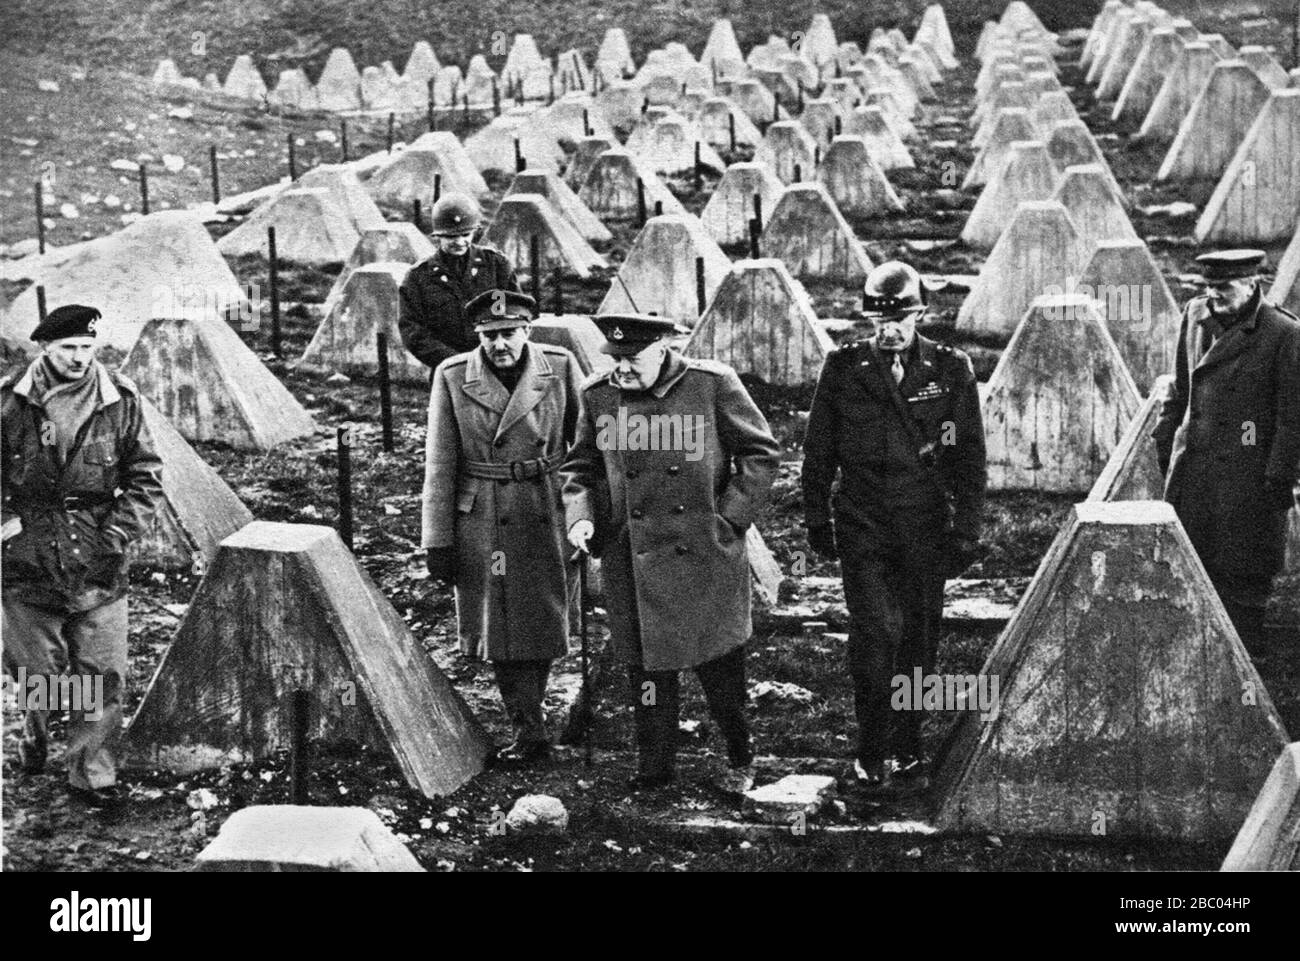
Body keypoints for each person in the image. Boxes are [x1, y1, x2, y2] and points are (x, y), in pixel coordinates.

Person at [560, 314, 780, 792]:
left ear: (662, 348)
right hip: (632, 554)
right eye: (614, 360)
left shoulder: (710, 385)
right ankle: (654, 766)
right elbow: (581, 466)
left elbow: (760, 453)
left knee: (720, 664)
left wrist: (730, 519)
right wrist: (581, 515)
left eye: (632, 360)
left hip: (704, 552)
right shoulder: (598, 395)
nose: (622, 370)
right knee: (647, 667)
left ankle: (741, 751)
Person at [801, 261, 986, 788]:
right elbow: (819, 449)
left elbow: (967, 456)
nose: (888, 331)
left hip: (924, 524)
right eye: (879, 321)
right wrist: (818, 519)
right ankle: (872, 745)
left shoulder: (950, 369)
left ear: (920, 314)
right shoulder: (844, 367)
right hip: (863, 522)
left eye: (900, 320)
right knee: (875, 634)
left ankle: (908, 744)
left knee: (919, 641)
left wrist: (966, 530)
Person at [1, 304, 163, 810]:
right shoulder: (10, 402)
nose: (79, 358)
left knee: (98, 672)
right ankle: (37, 731)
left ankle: (91, 774)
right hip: (27, 556)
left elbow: (146, 477)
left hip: (96, 551)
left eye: (87, 347)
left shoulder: (120, 399)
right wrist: (8, 532)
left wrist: (114, 537)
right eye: (68, 347)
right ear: (44, 347)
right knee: (40, 676)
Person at [422, 290, 584, 764]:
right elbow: (440, 463)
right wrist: (438, 539)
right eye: (489, 336)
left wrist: (589, 510)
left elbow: (586, 444)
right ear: (478, 336)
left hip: (547, 504)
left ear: (526, 330)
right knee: (501, 629)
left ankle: (536, 717)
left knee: (544, 615)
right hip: (486, 516)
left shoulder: (561, 366)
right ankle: (528, 729)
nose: (499, 344)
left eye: (509, 333)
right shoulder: (453, 376)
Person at [1153, 249, 1300, 648]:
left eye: (1225, 287)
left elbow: (1291, 417)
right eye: (1209, 287)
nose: (1214, 295)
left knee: (1242, 570)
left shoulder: (1282, 333)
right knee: (1190, 561)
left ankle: (1244, 662)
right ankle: (1195, 650)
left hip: (1247, 470)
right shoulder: (1194, 315)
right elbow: (1181, 387)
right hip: (1194, 466)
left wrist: (1278, 476)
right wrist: (1166, 436)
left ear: (1253, 284)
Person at [399, 192, 521, 374]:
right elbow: (413, 332)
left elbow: (517, 315)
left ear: (474, 232)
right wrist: (455, 362)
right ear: (437, 236)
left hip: (497, 365)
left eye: (466, 234)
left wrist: (498, 353)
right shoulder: (418, 278)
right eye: (450, 237)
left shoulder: (496, 265)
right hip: (449, 371)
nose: (460, 242)